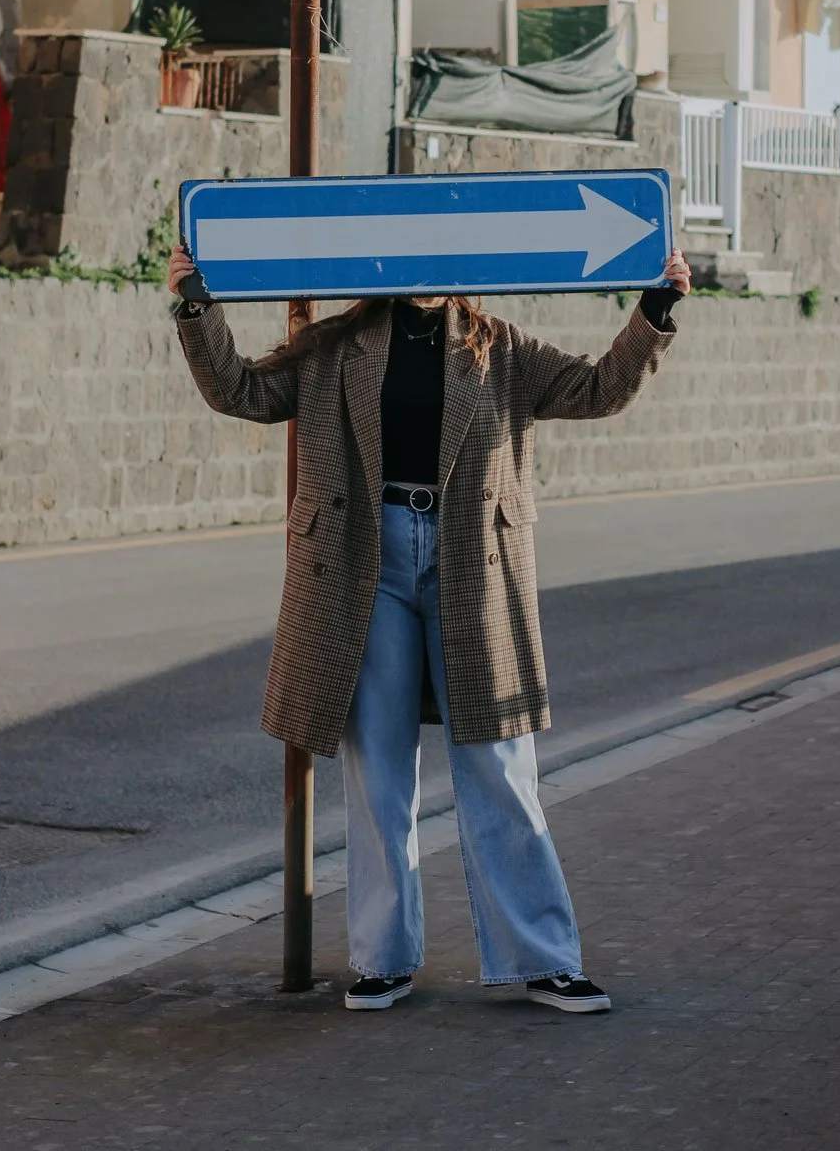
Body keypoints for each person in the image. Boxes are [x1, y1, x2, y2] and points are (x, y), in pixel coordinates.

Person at [167, 243, 690, 1014]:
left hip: (472, 558)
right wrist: (195, 304)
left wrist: (654, 311)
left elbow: (595, 388)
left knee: (501, 762)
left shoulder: (501, 346)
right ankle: (383, 959)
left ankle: (544, 958)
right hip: (364, 560)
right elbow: (239, 390)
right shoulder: (336, 346)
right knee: (379, 770)